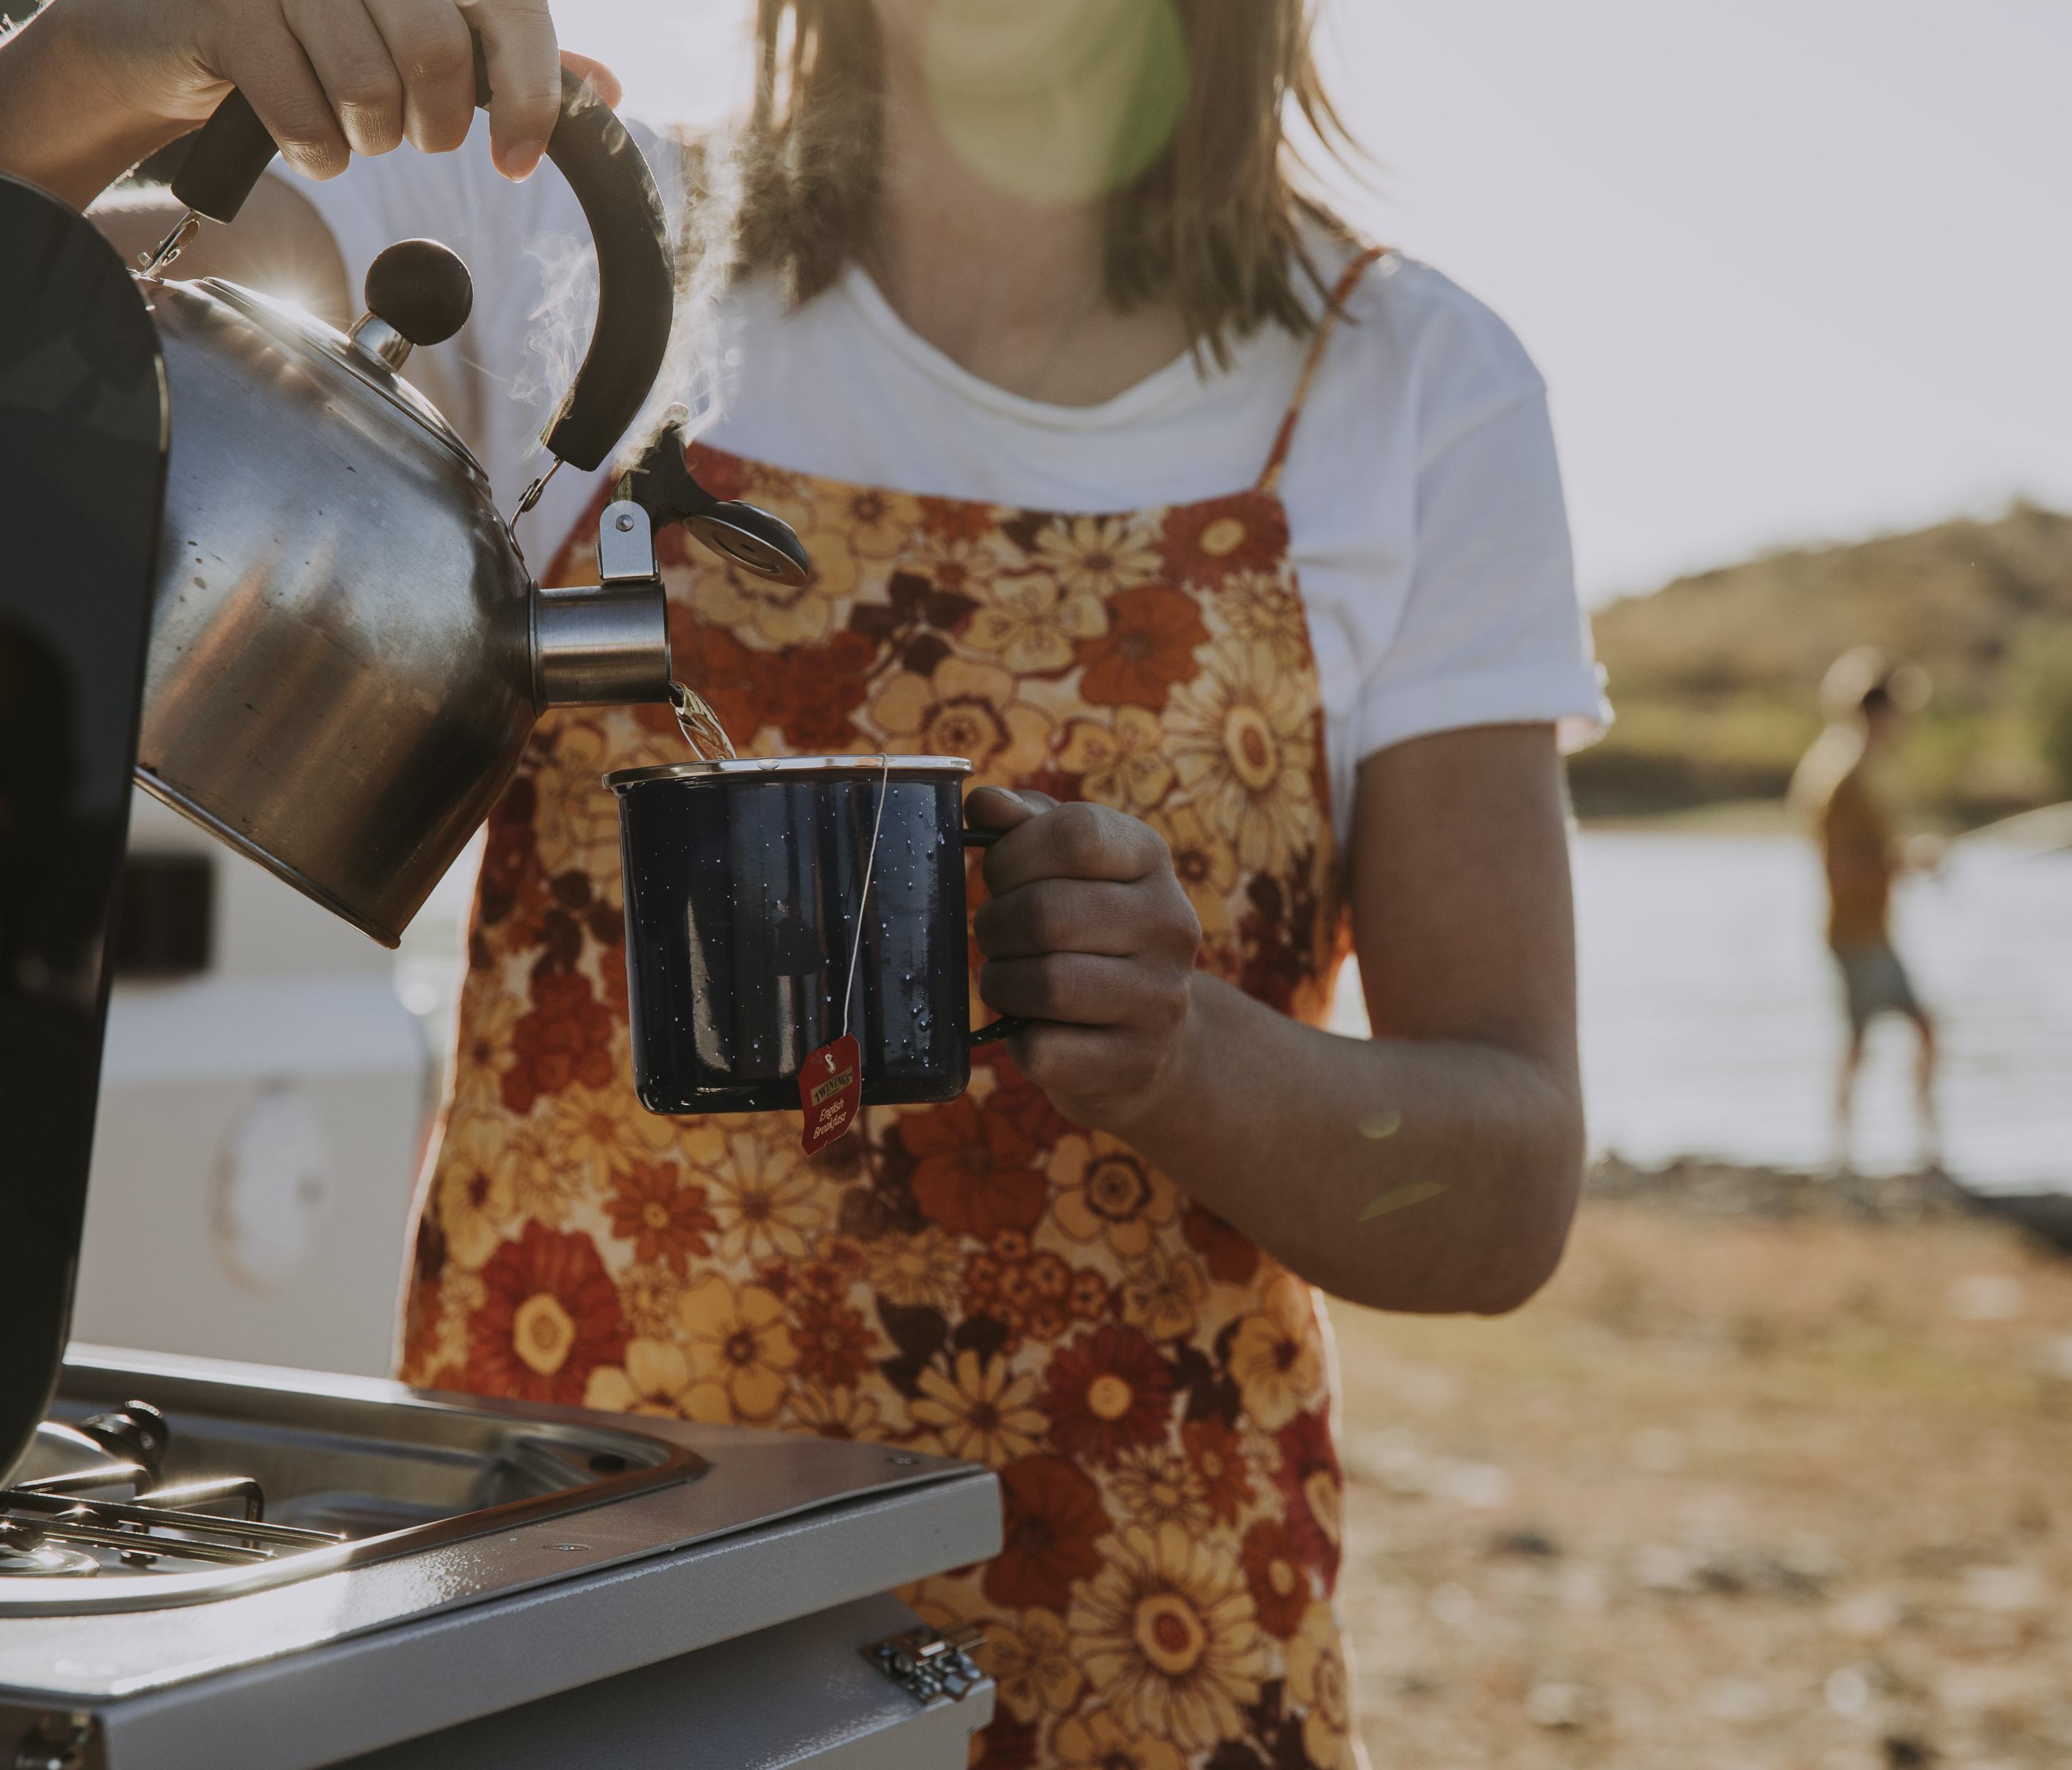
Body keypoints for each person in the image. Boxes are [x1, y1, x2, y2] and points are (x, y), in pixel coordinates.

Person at [0, 3, 1607, 1762]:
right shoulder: (554, 233)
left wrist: (1186, 1053)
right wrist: (99, 60)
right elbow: (52, 307)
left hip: (1145, 1631)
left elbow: (1503, 1176)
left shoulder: (1408, 389)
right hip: (562, 1618)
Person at [1788, 647, 1939, 1176]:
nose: (1901, 724)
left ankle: (1921, 1148)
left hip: (1876, 933)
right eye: (1897, 712)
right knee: (1862, 1040)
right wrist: (1903, 868)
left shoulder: (1863, 774)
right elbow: (1841, 869)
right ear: (1877, 713)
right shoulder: (1842, 779)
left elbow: (1872, 857)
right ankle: (1843, 1153)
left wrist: (1905, 863)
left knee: (1919, 1028)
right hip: (1854, 935)